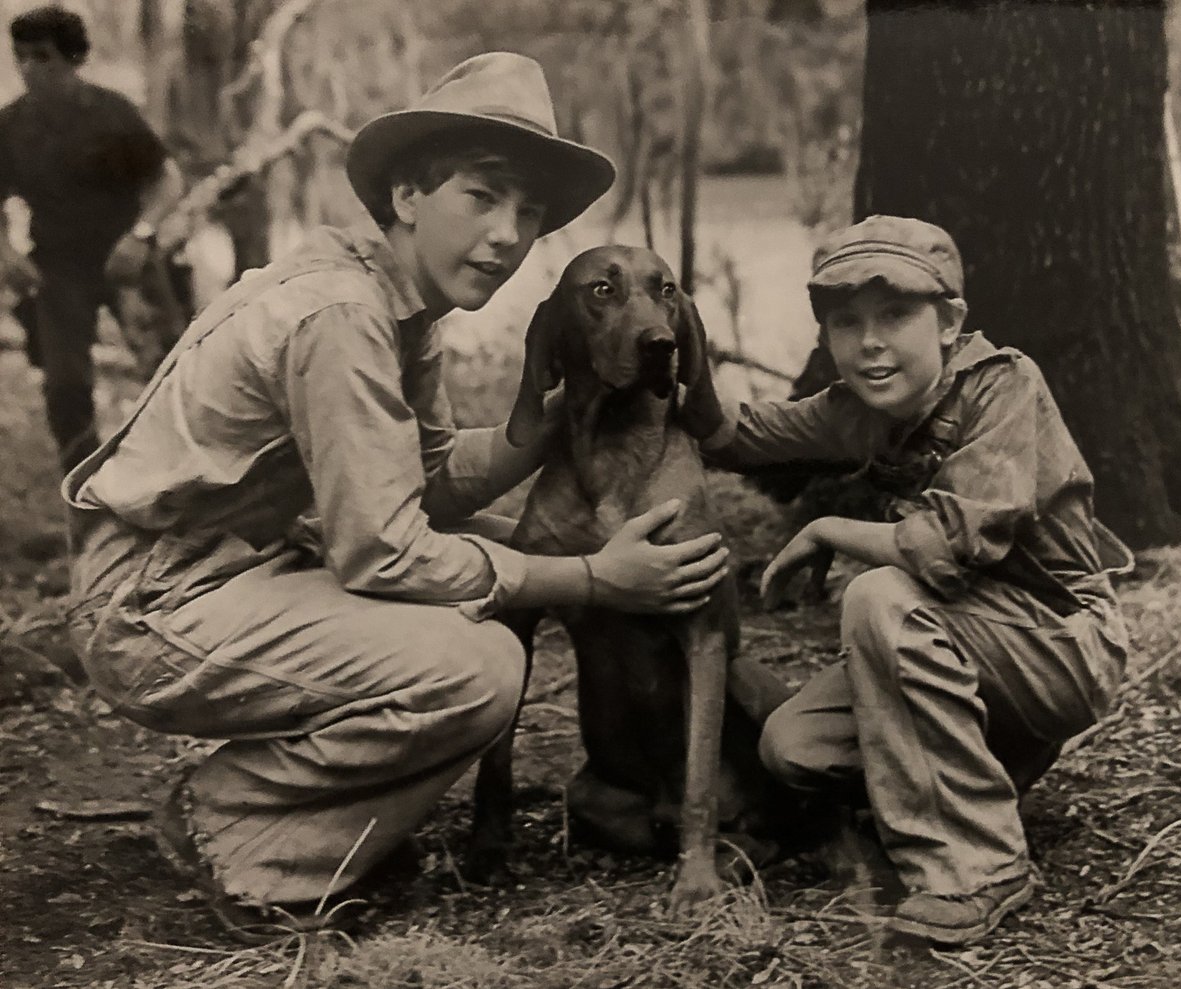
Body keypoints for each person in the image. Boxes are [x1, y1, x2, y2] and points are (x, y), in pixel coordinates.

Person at [62, 51, 730, 942]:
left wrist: (556, 413)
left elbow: (422, 482)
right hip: (152, 605)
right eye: (481, 197)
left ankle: (313, 827)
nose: (506, 234)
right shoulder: (341, 316)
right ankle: (241, 829)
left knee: (485, 583)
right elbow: (382, 550)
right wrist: (596, 581)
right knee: (479, 662)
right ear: (409, 195)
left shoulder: (395, 309)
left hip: (227, 575)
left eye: (528, 213)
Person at [693, 215, 1130, 946]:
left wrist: (826, 529)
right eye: (846, 322)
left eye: (896, 315)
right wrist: (650, 372)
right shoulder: (859, 409)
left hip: (1063, 642)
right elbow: (741, 435)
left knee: (878, 597)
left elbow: (946, 546)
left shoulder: (1002, 384)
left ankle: (980, 867)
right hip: (967, 635)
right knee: (794, 744)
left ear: (951, 319)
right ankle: (978, 772)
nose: (869, 342)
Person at [0, 4, 184, 472]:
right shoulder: (10, 126)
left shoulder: (111, 114)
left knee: (173, 372)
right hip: (58, 268)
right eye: (20, 56)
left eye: (43, 57)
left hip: (127, 261)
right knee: (64, 386)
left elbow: (166, 181)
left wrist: (141, 236)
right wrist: (6, 253)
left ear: (74, 59)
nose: (29, 69)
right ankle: (86, 495)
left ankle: (182, 480)